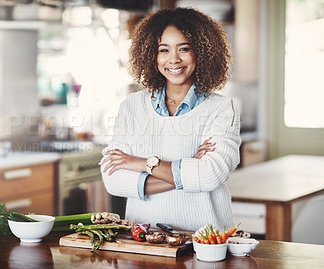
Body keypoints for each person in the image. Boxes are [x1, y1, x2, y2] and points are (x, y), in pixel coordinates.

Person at [99, 7, 241, 232]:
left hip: (206, 241)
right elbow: (114, 180)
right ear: (151, 55)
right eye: (163, 50)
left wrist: (141, 163)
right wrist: (188, 164)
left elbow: (209, 175)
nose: (173, 59)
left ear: (202, 52)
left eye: (184, 48)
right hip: (144, 239)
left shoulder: (222, 108)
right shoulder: (132, 106)